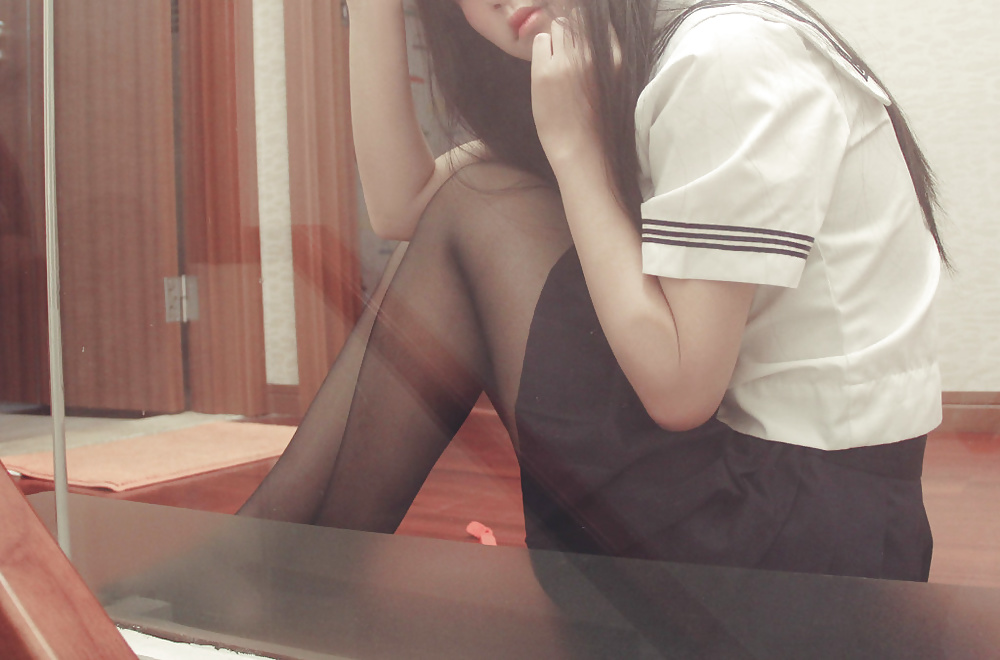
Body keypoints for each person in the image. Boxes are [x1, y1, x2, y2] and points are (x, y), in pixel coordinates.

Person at [239, 0, 945, 582]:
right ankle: (262, 579)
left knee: (477, 205)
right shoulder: (621, 65)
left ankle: (255, 581)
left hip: (807, 550)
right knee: (475, 197)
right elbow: (404, 206)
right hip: (776, 505)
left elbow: (681, 391)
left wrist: (574, 149)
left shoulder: (723, 55)